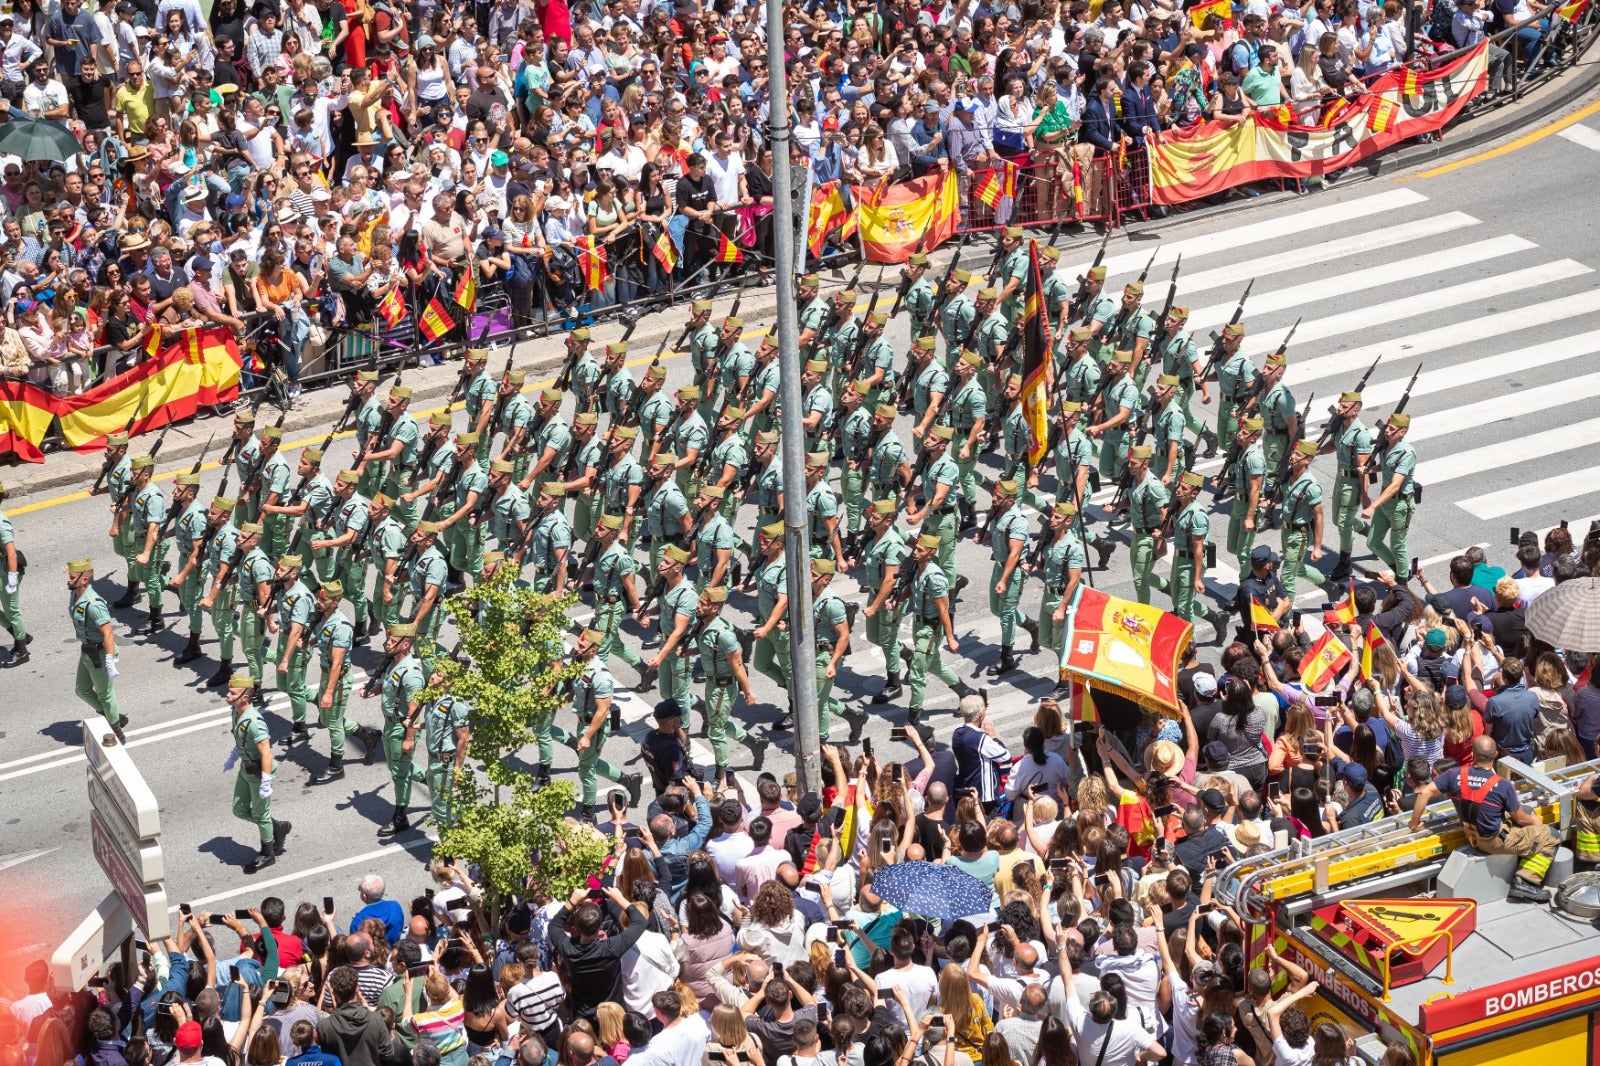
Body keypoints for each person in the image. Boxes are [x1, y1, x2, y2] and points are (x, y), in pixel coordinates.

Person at [1409, 735, 1559, 902]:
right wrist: (1535, 823)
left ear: (1473, 755)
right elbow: (1521, 819)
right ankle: (1526, 881)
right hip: (1494, 842)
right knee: (1552, 835)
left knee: (1524, 810)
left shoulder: (1454, 774)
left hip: (1471, 835)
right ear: (1495, 755)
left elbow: (1424, 793)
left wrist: (1414, 824)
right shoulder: (1502, 785)